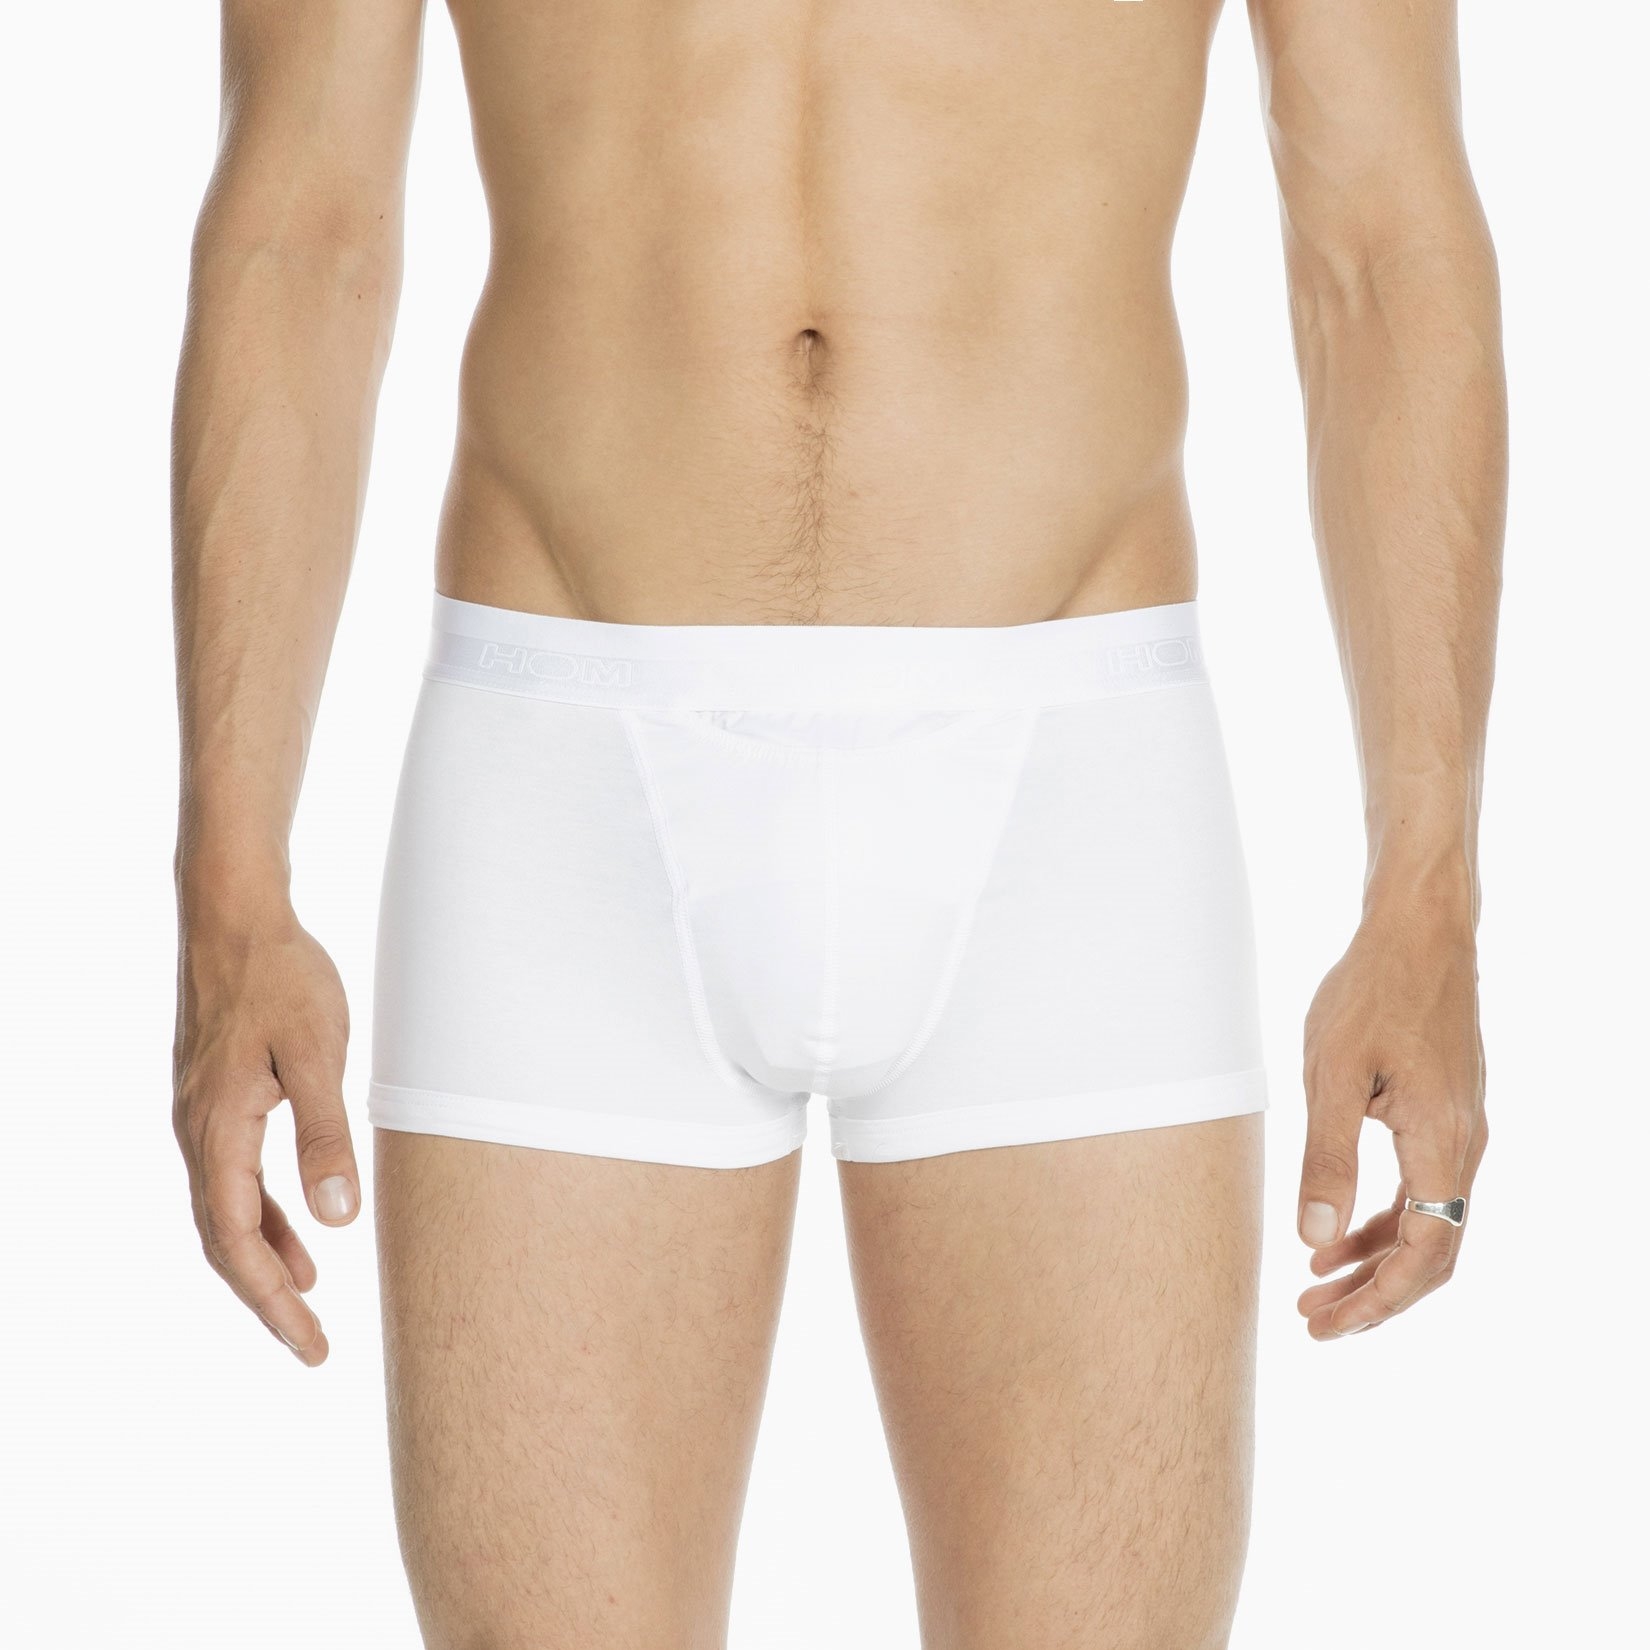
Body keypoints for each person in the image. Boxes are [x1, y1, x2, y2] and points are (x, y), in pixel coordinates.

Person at [169, 0, 1502, 1642]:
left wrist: (1425, 891)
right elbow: (299, 223)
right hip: (559, 779)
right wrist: (230, 881)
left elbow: (1378, 240)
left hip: (1068, 780)